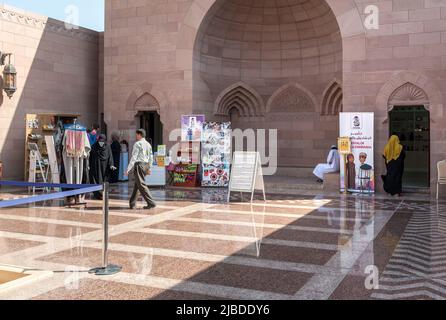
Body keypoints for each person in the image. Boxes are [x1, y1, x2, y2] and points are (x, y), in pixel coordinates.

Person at [125, 129, 157, 210]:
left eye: (137, 134)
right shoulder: (148, 144)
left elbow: (134, 157)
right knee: (137, 184)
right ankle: (132, 203)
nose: (136, 136)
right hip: (145, 165)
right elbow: (151, 157)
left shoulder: (138, 144)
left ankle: (151, 203)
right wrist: (149, 167)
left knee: (141, 184)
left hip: (139, 165)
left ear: (139, 135)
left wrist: (128, 169)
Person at [89, 134, 115, 200]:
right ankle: (97, 194)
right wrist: (89, 166)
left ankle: (102, 193)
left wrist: (111, 165)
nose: (101, 143)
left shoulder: (108, 147)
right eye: (99, 142)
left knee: (104, 180)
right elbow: (90, 158)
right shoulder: (94, 146)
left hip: (105, 167)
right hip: (95, 167)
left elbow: (110, 157)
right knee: (95, 180)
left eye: (102, 142)